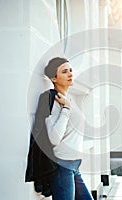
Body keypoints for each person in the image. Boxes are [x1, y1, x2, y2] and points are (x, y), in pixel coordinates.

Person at [43, 57, 93, 200]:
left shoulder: (68, 98)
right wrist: (66, 108)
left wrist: (67, 105)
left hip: (73, 165)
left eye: (71, 70)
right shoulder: (55, 101)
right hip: (62, 167)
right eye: (64, 72)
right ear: (54, 78)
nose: (70, 74)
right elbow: (54, 138)